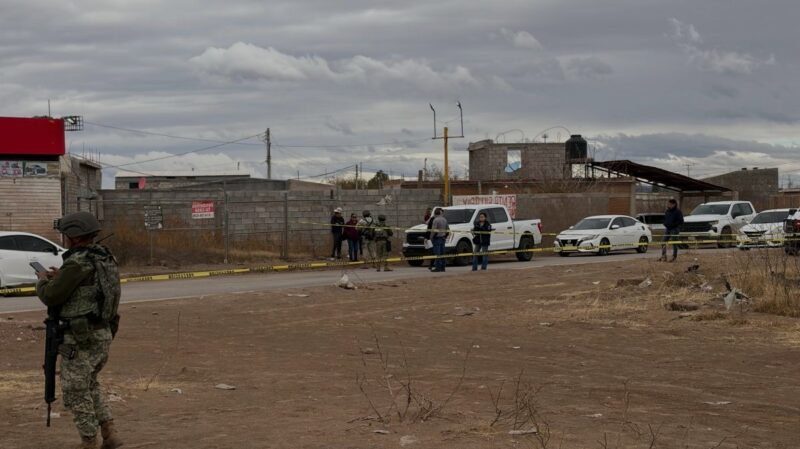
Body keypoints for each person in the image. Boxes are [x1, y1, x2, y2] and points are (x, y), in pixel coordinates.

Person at [35, 212, 123, 449]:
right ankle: (109, 433)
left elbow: (51, 296)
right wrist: (60, 276)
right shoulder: (103, 258)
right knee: (91, 384)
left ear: (74, 237)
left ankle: (88, 441)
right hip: (102, 333)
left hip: (80, 337)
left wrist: (43, 280)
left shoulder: (78, 262)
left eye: (65, 235)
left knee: (75, 390)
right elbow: (87, 287)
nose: (63, 238)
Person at [431, 208, 449, 272]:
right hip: (443, 238)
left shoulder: (435, 220)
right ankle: (443, 268)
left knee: (437, 254)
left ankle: (438, 268)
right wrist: (445, 236)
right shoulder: (444, 219)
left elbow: (434, 230)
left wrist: (431, 238)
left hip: (437, 238)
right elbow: (448, 230)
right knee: (442, 254)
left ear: (435, 214)